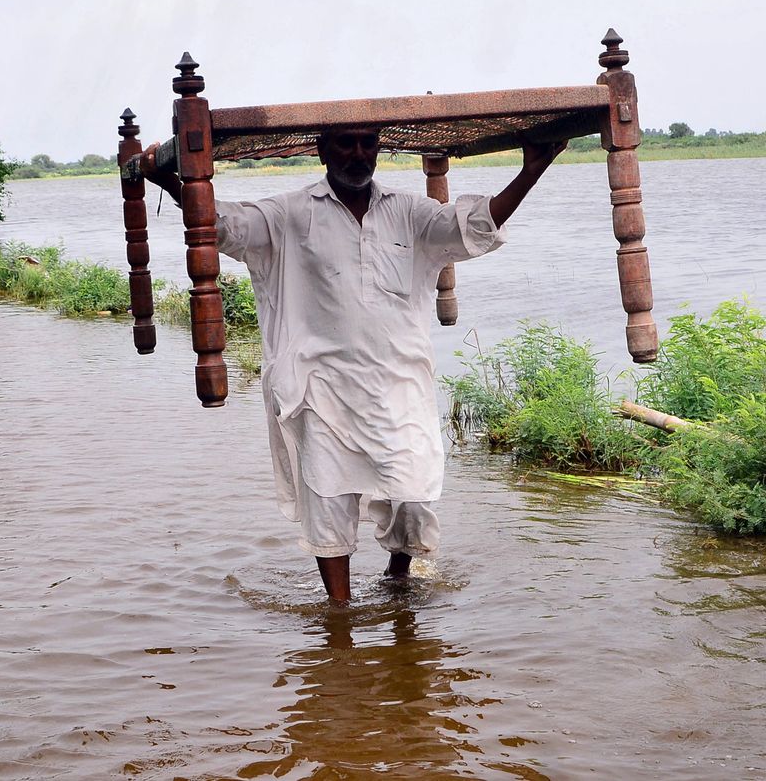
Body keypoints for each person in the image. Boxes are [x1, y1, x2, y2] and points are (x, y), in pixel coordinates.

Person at [141, 128, 564, 602]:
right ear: (322, 150)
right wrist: (169, 184)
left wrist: (533, 169)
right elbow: (218, 224)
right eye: (346, 143)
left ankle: (398, 582)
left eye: (368, 144)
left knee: (415, 493)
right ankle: (339, 613)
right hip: (319, 385)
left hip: (400, 384)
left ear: (379, 149)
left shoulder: (409, 214)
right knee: (328, 498)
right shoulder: (288, 215)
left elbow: (476, 225)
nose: (358, 154)